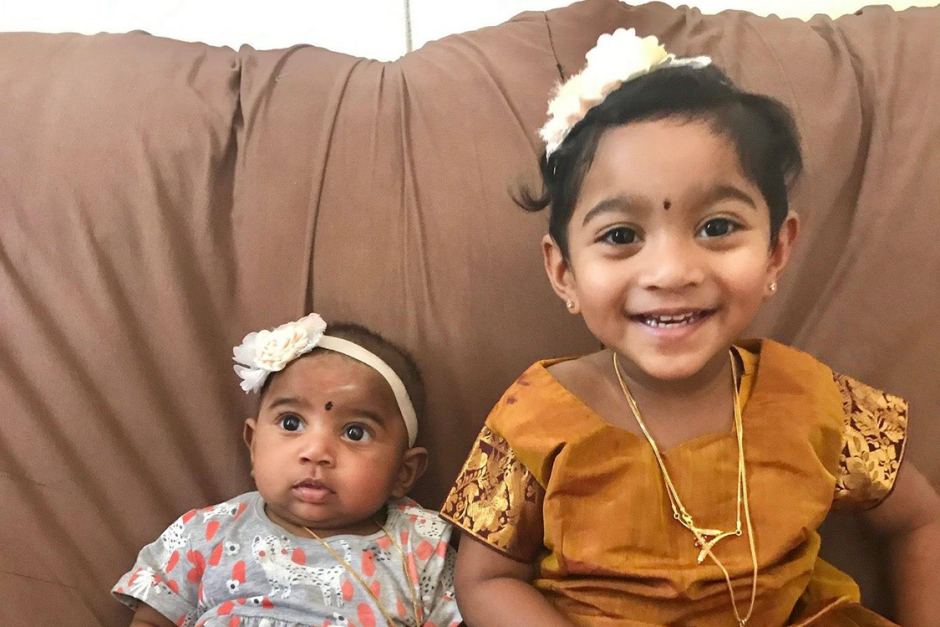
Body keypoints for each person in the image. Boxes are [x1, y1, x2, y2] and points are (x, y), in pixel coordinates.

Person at [442, 28, 940, 626]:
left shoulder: (814, 399)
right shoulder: (535, 417)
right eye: (621, 235)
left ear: (777, 251)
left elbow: (919, 519)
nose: (672, 272)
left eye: (717, 227)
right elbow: (485, 577)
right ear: (564, 272)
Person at [113, 313, 461, 627]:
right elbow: (152, 620)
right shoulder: (206, 532)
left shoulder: (423, 546)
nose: (316, 452)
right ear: (254, 445)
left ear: (404, 471)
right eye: (291, 423)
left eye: (355, 432)